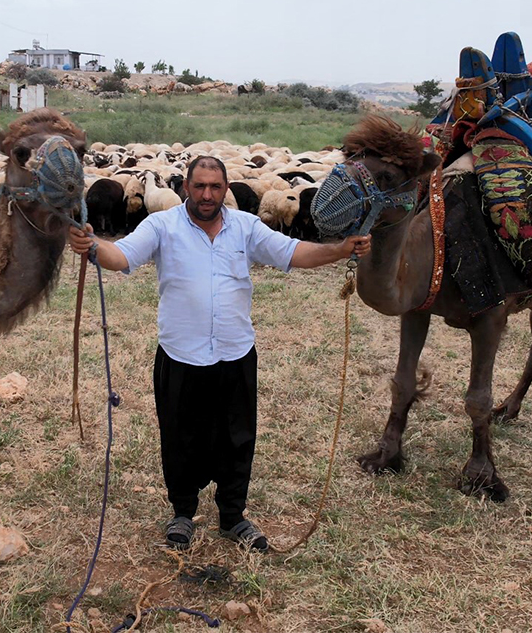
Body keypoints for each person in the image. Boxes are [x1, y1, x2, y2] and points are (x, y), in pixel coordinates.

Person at [67, 156, 370, 551]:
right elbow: (121, 256)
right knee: (180, 437)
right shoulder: (162, 225)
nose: (207, 194)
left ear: (225, 189)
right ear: (185, 188)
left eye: (214, 187)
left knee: (237, 438)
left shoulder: (246, 227)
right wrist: (93, 247)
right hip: (180, 355)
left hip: (234, 353)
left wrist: (339, 250)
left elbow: (293, 252)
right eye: (199, 186)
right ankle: (182, 513)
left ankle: (233, 516)